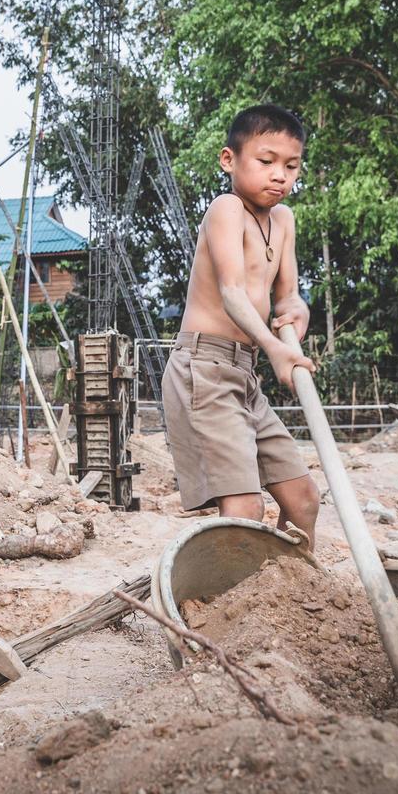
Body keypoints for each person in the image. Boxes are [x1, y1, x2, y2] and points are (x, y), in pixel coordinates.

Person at [162, 104, 321, 548]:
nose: (280, 176)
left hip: (244, 374)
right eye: (266, 161)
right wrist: (274, 347)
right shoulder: (225, 208)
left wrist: (298, 309)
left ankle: (287, 590)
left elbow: (286, 295)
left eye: (291, 166)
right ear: (229, 159)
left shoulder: (284, 221)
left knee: (304, 499)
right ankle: (229, 606)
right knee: (246, 508)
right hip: (204, 369)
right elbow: (233, 292)